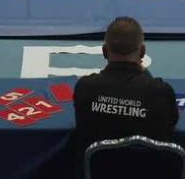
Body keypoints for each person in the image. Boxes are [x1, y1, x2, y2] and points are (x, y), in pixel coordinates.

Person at [72, 17, 177, 164]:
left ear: (104, 51)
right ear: (142, 52)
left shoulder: (85, 87)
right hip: (148, 170)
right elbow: (171, 123)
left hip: (100, 170)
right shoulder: (160, 92)